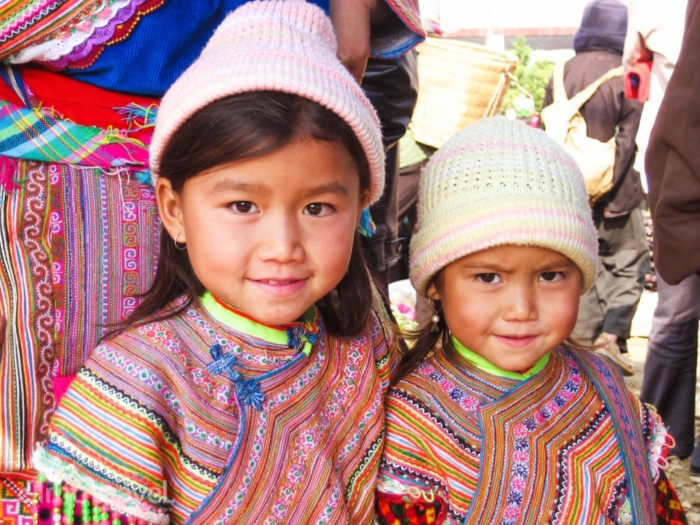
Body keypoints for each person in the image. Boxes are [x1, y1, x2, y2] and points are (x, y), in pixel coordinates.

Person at [32, 2, 401, 523]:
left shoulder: (366, 342)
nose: (282, 246)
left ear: (362, 202)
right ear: (174, 210)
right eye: (243, 206)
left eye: (318, 207)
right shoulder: (135, 384)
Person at [374, 117, 686, 524]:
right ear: (435, 283)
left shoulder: (607, 391)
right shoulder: (416, 423)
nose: (521, 309)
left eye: (550, 275)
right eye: (488, 277)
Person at [542, 0, 647, 376]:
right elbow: (631, 137)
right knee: (627, 264)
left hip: (570, 194)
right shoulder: (632, 75)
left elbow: (547, 132)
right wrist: (607, 184)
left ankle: (584, 345)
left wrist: (580, 189)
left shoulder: (560, 72)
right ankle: (612, 338)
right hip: (619, 196)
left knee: (578, 265)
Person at [639, 0, 700, 475]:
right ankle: (661, 429)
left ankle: (661, 429)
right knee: (675, 314)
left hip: (681, 178)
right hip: (682, 178)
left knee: (674, 315)